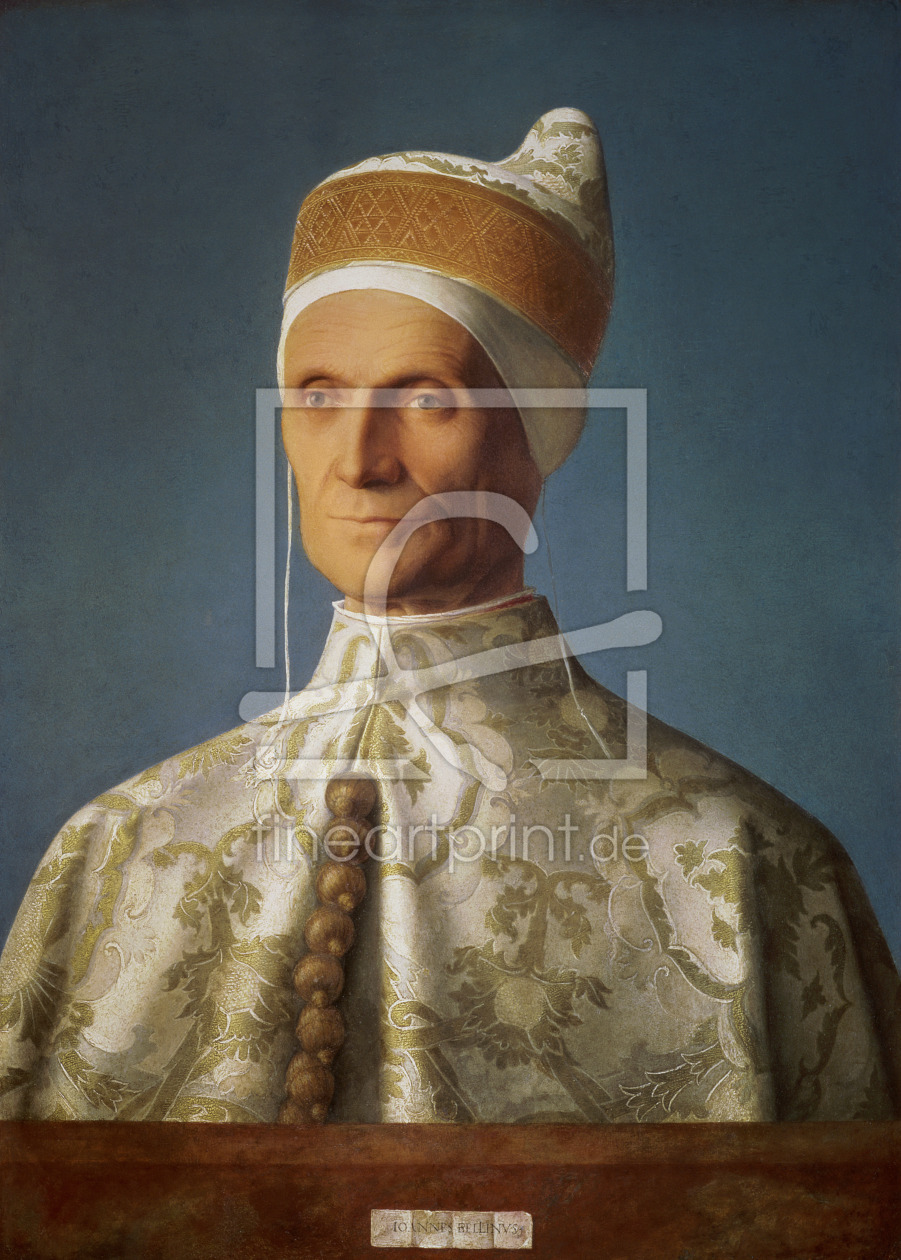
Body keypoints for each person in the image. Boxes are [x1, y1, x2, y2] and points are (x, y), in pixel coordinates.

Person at [0, 110, 897, 1124]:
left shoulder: (748, 868)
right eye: (318, 395)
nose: (358, 461)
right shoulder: (111, 851)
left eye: (427, 399)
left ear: (538, 434)